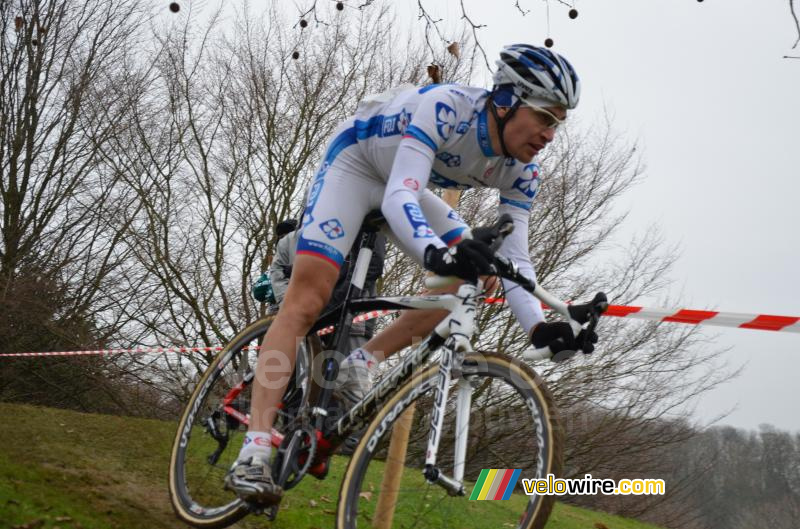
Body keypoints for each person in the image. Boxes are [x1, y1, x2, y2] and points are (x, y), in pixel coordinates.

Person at [225, 44, 593, 505]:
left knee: (471, 277)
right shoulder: (447, 108)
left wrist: (540, 326)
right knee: (306, 300)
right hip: (357, 166)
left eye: (558, 121)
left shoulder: (523, 171)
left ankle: (361, 364)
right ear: (505, 101)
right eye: (544, 116)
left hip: (404, 185)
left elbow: (516, 258)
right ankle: (254, 451)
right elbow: (401, 194)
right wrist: (437, 254)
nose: (550, 133)